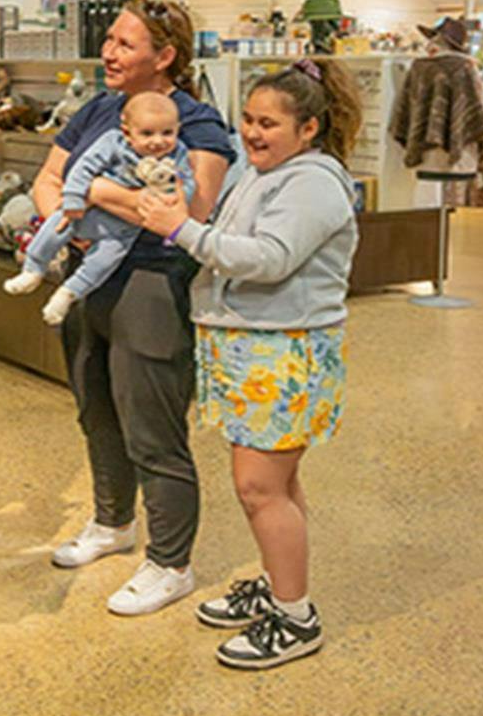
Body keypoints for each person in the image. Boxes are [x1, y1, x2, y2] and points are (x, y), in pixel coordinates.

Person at [140, 59, 360, 670]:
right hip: (253, 349)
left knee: (259, 486)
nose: (253, 133)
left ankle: (295, 616)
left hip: (281, 353)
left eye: (269, 124)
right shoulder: (270, 174)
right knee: (277, 484)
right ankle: (280, 585)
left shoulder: (313, 181)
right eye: (248, 119)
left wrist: (183, 230)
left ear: (310, 128)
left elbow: (269, 257)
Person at [28, 0, 234, 616]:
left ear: (164, 57)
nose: (108, 53)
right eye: (110, 41)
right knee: (95, 407)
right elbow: (45, 181)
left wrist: (87, 192)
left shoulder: (196, 125)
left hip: (151, 281)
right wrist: (72, 214)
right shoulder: (97, 110)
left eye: (123, 44)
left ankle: (171, 562)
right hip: (86, 277)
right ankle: (113, 522)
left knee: (153, 423)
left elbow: (185, 213)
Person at [3, 90, 192, 326]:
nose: (157, 141)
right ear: (127, 131)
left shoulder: (178, 153)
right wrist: (73, 199)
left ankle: (68, 293)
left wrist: (175, 199)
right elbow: (84, 167)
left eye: (168, 133)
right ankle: (34, 269)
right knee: (55, 227)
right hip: (85, 211)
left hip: (122, 230)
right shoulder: (113, 142)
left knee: (104, 261)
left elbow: (186, 185)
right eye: (146, 133)